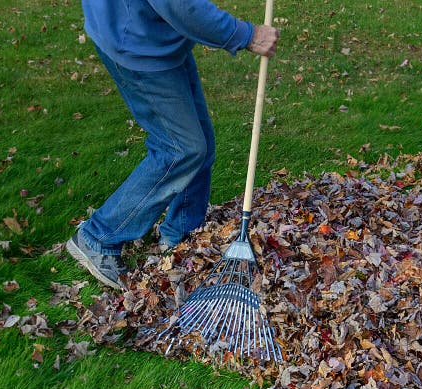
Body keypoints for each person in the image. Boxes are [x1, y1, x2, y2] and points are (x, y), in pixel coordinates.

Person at [66, 0, 279, 290]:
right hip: (138, 44)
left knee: (198, 146)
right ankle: (99, 236)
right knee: (181, 149)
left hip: (147, 32)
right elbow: (181, 6)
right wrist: (247, 35)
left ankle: (181, 234)